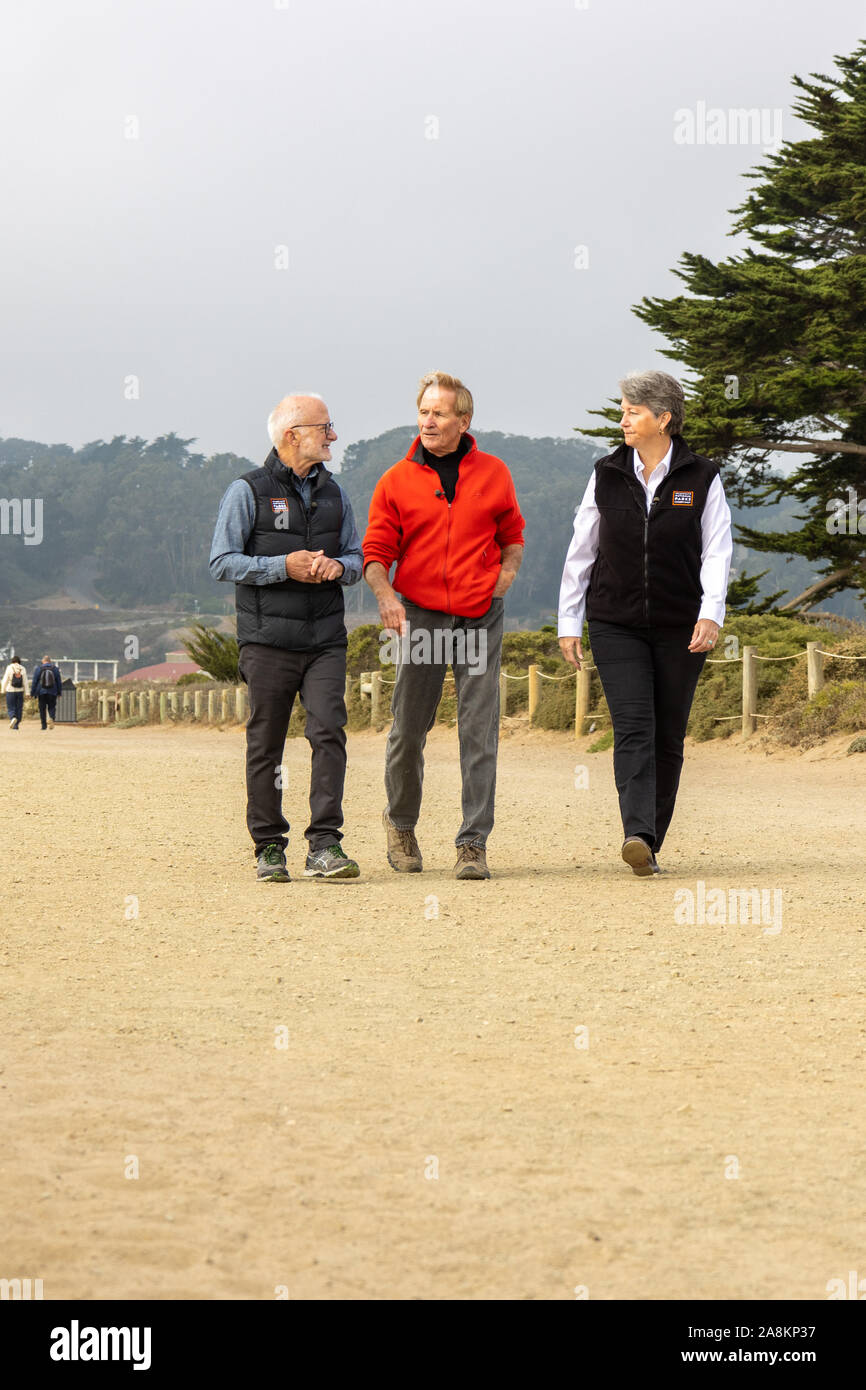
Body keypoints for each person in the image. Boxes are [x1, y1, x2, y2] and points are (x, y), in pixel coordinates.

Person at [558, 370, 733, 876]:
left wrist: (710, 613)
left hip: (682, 624)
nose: (623, 419)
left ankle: (650, 838)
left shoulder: (701, 476)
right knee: (634, 727)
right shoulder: (606, 472)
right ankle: (635, 833)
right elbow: (581, 549)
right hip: (616, 621)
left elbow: (717, 552)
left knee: (668, 734)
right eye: (623, 410)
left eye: (632, 411)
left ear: (664, 418)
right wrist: (570, 619)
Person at [363, 371, 525, 880]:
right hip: (423, 617)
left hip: (480, 616)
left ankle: (472, 843)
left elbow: (512, 535)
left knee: (479, 731)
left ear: (463, 420)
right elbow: (375, 552)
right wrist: (387, 597)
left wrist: (503, 581)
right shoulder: (396, 479)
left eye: (439, 413)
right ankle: (402, 825)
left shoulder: (495, 472)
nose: (428, 421)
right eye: (424, 412)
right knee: (409, 729)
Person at [209, 394, 364, 883]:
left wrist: (339, 566)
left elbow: (359, 558)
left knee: (328, 733)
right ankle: (268, 847)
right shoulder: (246, 491)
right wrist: (282, 566)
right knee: (266, 743)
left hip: (325, 640)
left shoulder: (338, 494)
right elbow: (221, 561)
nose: (333, 436)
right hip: (266, 641)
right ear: (292, 434)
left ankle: (324, 844)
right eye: (325, 427)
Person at [30, 655, 63, 730]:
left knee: (42, 709)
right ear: (50, 661)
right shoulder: (55, 669)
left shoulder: (39, 669)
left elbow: (34, 681)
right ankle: (51, 718)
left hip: (41, 692)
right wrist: (59, 692)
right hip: (52, 691)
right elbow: (59, 682)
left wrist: (32, 693)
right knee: (52, 707)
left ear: (43, 661)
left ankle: (43, 725)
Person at [2, 656, 27, 730]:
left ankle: (13, 717)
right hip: (20, 691)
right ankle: (16, 725)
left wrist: (3, 690)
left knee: (11, 707)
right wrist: (27, 693)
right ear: (19, 661)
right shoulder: (22, 668)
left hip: (10, 690)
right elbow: (25, 682)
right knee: (19, 708)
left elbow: (5, 680)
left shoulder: (9, 668)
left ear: (12, 661)